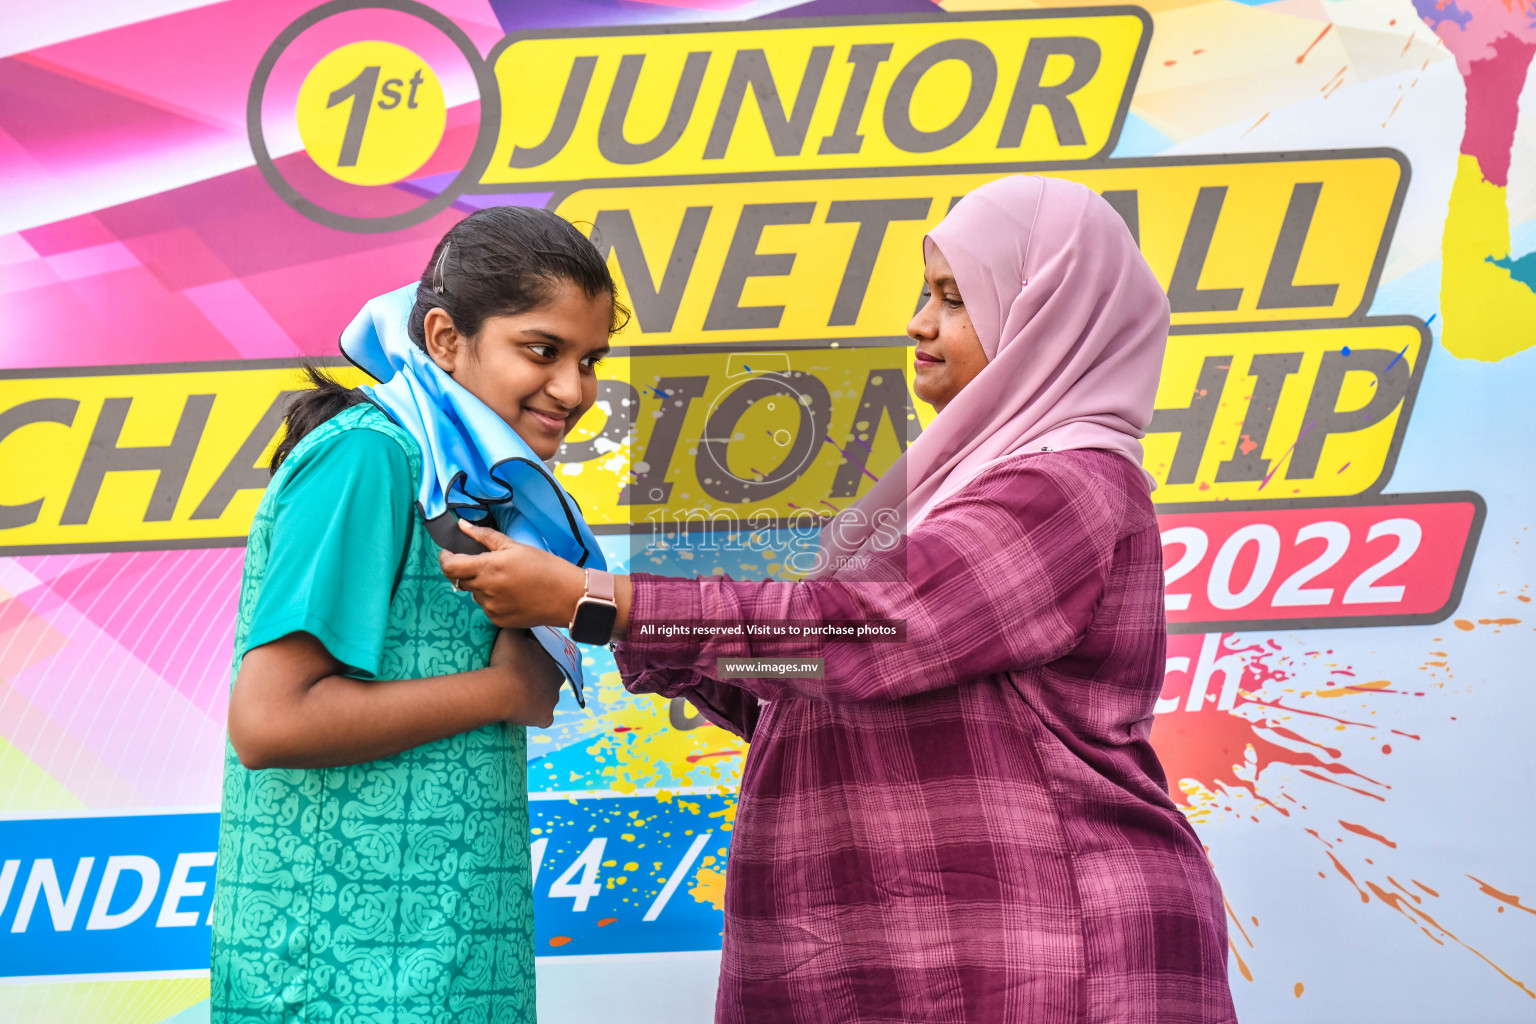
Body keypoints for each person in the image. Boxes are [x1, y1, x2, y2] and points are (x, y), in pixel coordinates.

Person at [440, 176, 1239, 1024]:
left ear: (1045, 320)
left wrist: (602, 601)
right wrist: (601, 606)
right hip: (912, 949)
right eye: (925, 294)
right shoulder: (951, 493)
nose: (918, 323)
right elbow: (806, 679)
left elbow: (867, 633)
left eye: (955, 299)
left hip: (1047, 951)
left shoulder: (1068, 486)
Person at [211, 206, 624, 1024]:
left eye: (591, 359)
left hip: (451, 968)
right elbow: (269, 721)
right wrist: (502, 693)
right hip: (336, 984)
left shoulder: (485, 481)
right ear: (443, 339)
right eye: (542, 350)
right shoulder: (371, 454)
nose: (575, 389)